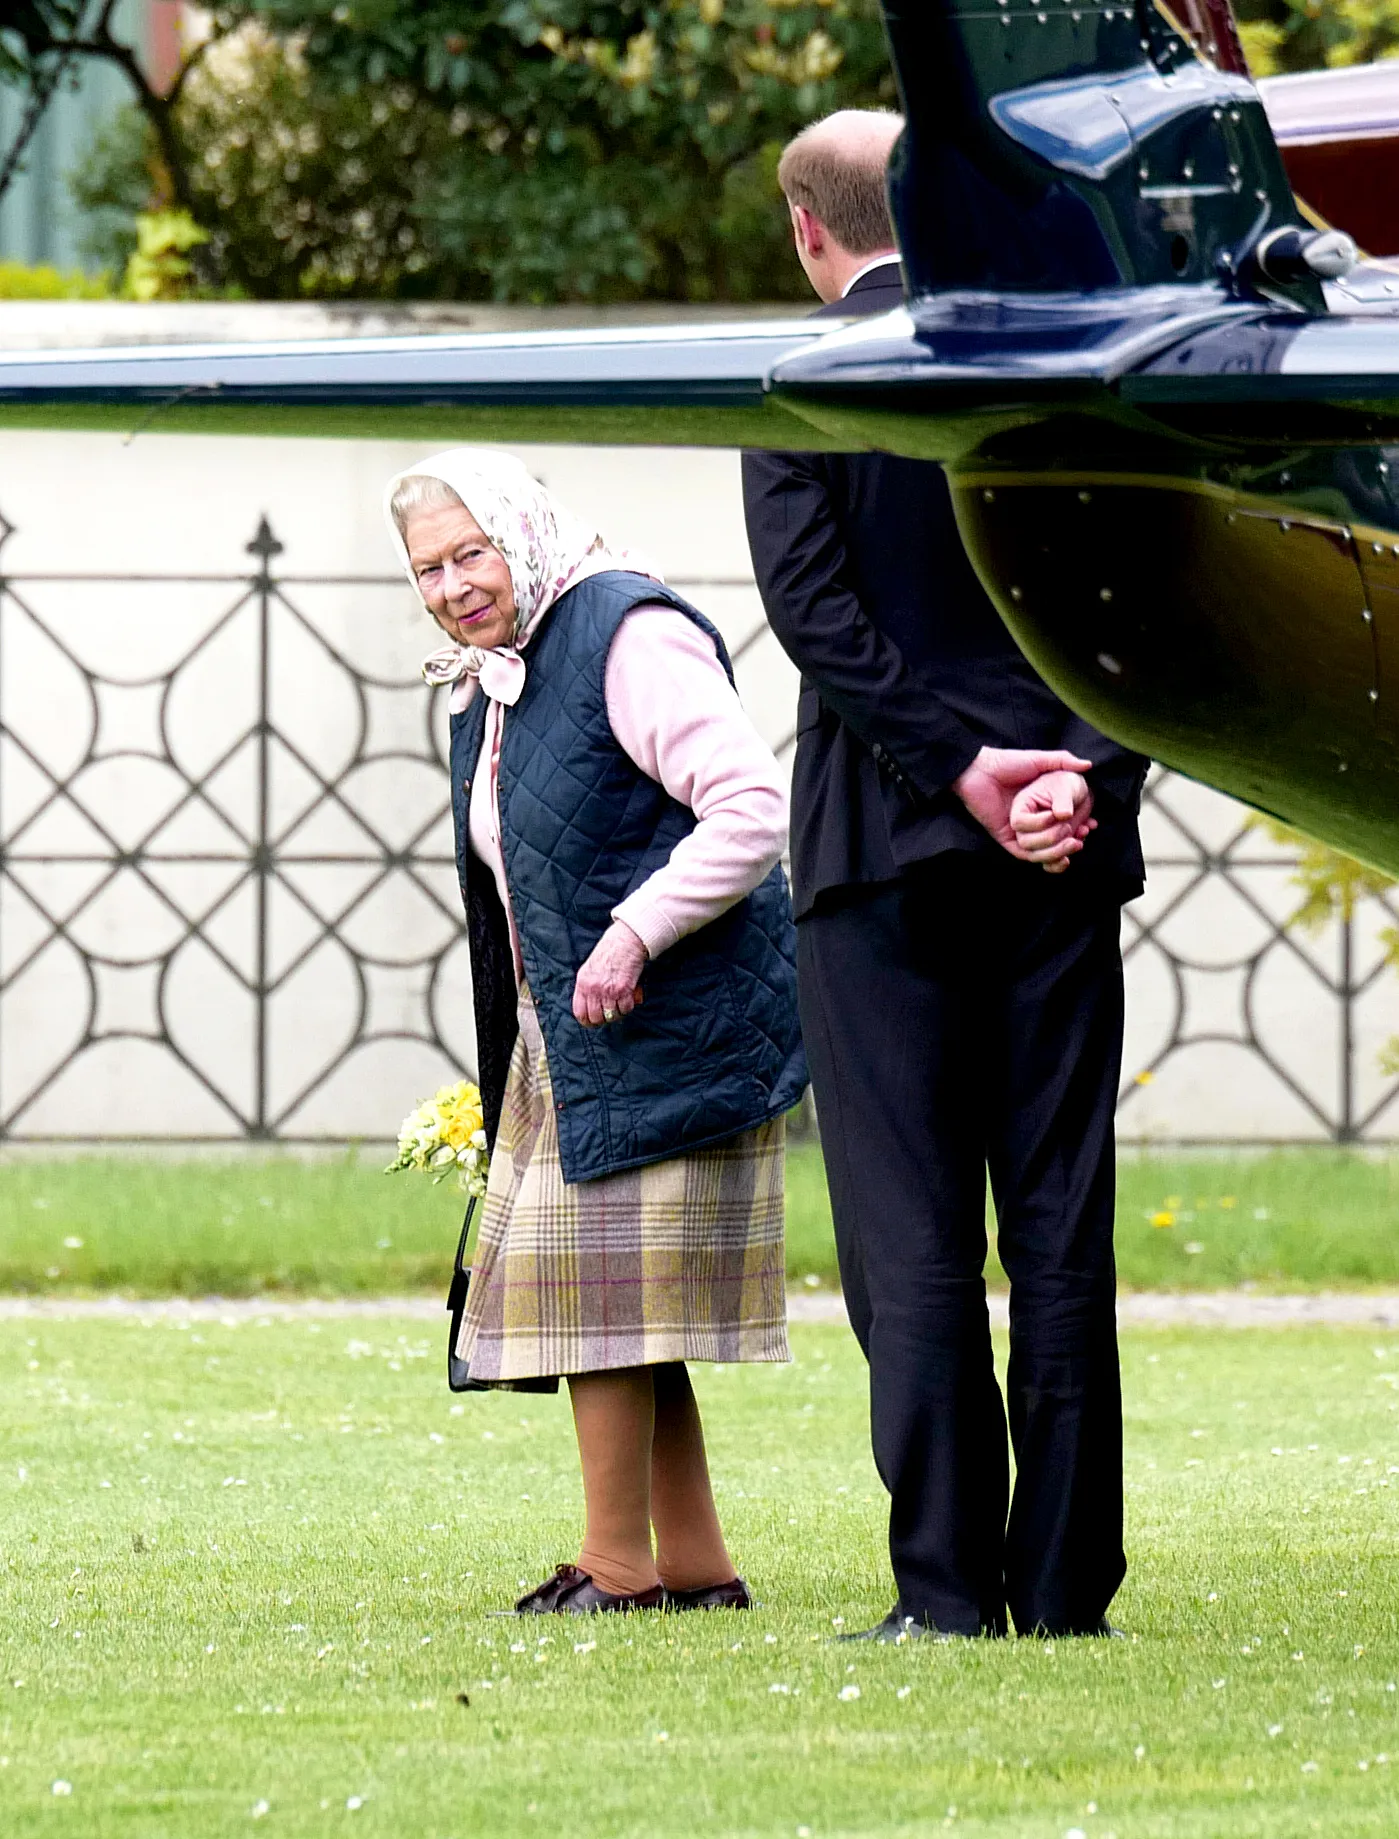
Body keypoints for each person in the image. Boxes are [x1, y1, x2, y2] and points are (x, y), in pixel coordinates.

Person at [742, 112, 1150, 1641]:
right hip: (1057, 855)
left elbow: (815, 617)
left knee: (907, 1238)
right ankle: (1058, 1591)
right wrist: (1067, 774)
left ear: (806, 231)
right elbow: (1146, 599)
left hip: (877, 855)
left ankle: (940, 1592)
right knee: (1056, 1226)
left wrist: (951, 772)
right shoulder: (1060, 364)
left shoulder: (803, 378)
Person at [384, 448, 806, 1616]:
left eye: (470, 553)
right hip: (572, 1037)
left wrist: (631, 935)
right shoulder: (499, 671)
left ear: (519, 533)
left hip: (666, 1025)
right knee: (618, 1311)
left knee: (601, 1310)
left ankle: (615, 1571)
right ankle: (696, 1568)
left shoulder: (626, 632)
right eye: (429, 569)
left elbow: (750, 807)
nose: (454, 585)